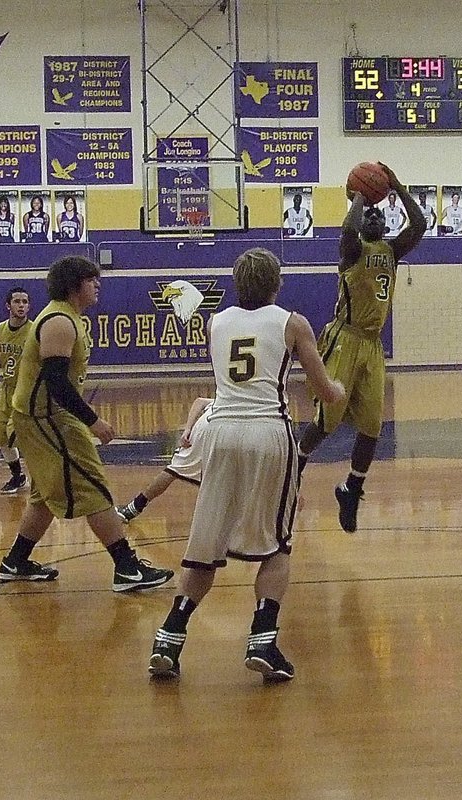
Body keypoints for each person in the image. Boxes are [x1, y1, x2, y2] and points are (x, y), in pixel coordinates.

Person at [147, 248, 345, 680]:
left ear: (238, 283)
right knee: (277, 544)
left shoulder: (217, 322)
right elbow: (324, 389)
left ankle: (168, 637)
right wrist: (342, 389)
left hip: (219, 431)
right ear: (277, 283)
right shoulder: (292, 322)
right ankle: (263, 641)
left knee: (205, 545)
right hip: (267, 433)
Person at [0, 256, 174, 591]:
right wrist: (94, 422)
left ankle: (15, 561)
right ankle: (126, 568)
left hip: (43, 417)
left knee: (45, 494)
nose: (98, 286)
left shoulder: (69, 318)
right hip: (45, 418)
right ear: (74, 285)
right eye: (92, 280)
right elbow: (56, 383)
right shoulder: (59, 321)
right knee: (93, 487)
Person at [296, 163, 427, 533]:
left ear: (384, 224)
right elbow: (347, 228)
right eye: (366, 213)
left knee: (372, 426)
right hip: (344, 338)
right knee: (328, 421)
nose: (371, 216)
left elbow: (419, 225)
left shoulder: (392, 250)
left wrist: (396, 185)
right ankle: (295, 470)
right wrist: (359, 195)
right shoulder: (351, 250)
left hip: (371, 345)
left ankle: (352, 487)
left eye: (377, 213)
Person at [116, 396, 213, 523]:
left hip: (210, 424)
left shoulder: (229, 393)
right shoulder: (243, 396)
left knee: (175, 470)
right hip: (234, 428)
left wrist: (188, 429)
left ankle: (133, 508)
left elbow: (199, 401)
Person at [0, 286, 30, 494]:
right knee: (0, 437)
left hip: (25, 392)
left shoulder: (34, 331)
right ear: (8, 305)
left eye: (25, 302)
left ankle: (49, 477)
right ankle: (18, 476)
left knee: (15, 434)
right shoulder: (0, 330)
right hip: (6, 389)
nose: (21, 305)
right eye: (17, 301)